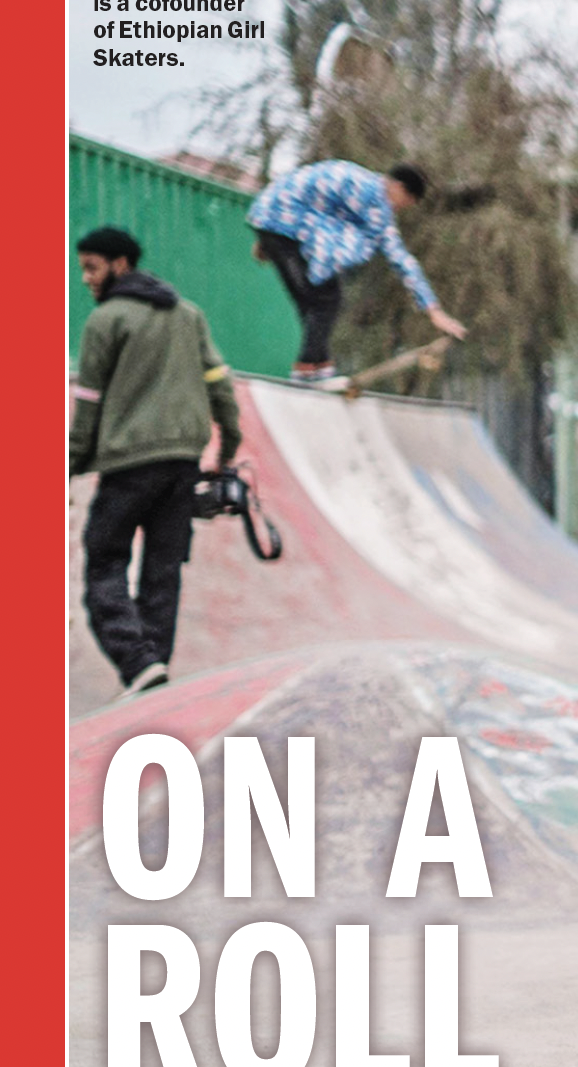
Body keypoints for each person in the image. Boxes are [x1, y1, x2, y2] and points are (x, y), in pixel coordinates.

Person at [70, 227, 242, 695]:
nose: (85, 277)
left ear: (120, 264)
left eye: (91, 266)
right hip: (184, 464)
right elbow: (220, 386)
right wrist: (225, 453)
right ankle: (154, 677)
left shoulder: (107, 320)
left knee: (104, 565)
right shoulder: (188, 315)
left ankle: (136, 659)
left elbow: (88, 400)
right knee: (162, 575)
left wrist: (69, 461)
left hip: (129, 466)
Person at [247, 159, 467, 381]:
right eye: (407, 202)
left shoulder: (361, 184)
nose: (402, 208)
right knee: (325, 300)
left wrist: (267, 233)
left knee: (317, 300)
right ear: (398, 188)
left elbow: (310, 193)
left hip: (277, 220)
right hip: (280, 224)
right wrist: (434, 311)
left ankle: (319, 364)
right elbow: (398, 256)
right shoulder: (372, 201)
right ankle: (307, 370)